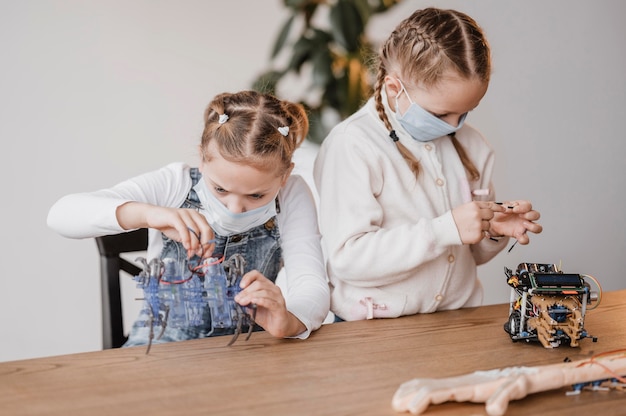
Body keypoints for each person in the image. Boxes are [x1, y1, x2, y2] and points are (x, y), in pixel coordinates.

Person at [313, 8, 542, 321]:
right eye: (440, 114)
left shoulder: (473, 146)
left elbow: (471, 254)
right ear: (395, 89)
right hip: (373, 330)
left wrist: (491, 231)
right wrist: (442, 230)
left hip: (456, 323)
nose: (453, 125)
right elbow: (348, 259)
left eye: (464, 113)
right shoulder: (352, 145)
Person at [48, 90, 330, 345]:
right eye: (220, 189)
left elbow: (312, 284)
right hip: (160, 347)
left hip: (249, 348)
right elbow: (60, 215)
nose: (234, 208)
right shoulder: (176, 184)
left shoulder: (292, 194)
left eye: (256, 196)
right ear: (202, 158)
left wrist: (291, 321)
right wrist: (149, 214)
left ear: (285, 175)